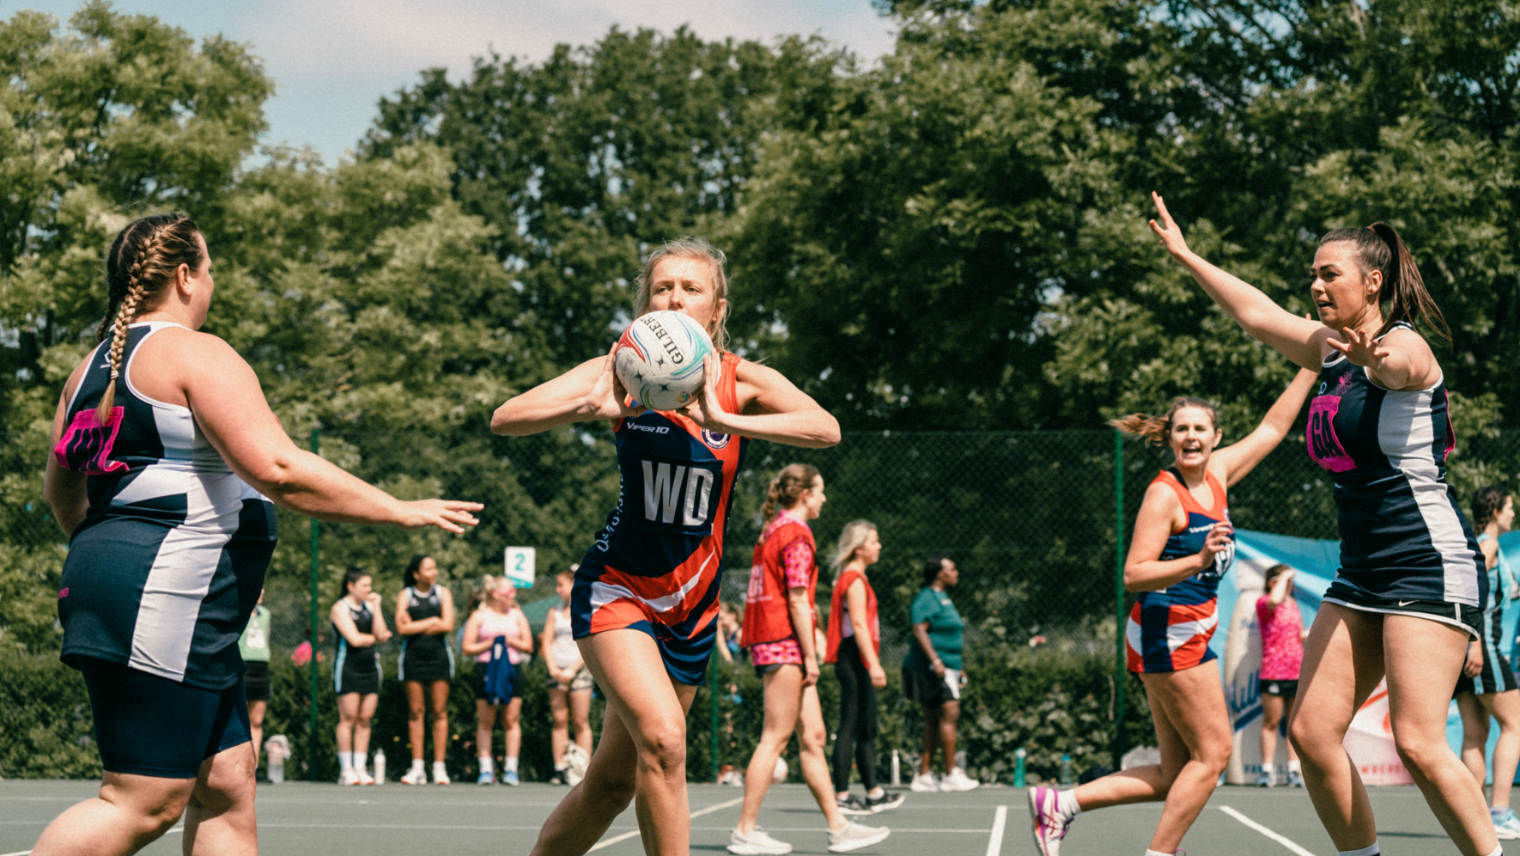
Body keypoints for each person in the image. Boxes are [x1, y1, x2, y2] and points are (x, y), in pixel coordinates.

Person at [35, 213, 480, 856]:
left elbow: (62, 494)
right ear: (185, 276)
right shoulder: (194, 352)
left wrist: (117, 561)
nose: (211, 281)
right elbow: (280, 470)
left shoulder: (87, 372)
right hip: (166, 593)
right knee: (142, 800)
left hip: (124, 583)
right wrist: (399, 508)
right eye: (209, 268)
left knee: (227, 780)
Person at [1143, 194, 1497, 856]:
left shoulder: (1402, 344)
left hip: (1426, 562)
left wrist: (1373, 358)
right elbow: (1255, 314)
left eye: (1328, 273)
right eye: (1312, 273)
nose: (1315, 284)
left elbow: (1400, 369)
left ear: (1372, 281)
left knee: (1418, 739)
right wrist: (1188, 256)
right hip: (1362, 570)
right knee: (1310, 730)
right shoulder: (1330, 350)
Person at [494, 238, 842, 856]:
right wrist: (587, 404)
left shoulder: (740, 380)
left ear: (717, 308)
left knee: (610, 785)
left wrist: (727, 419)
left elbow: (824, 428)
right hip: (618, 589)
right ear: (645, 303)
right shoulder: (620, 368)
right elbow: (507, 417)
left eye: (692, 288)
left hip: (693, 608)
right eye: (662, 288)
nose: (676, 297)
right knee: (666, 741)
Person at [1029, 365, 1315, 856]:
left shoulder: (1219, 474)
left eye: (1200, 429)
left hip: (1187, 632)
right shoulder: (1165, 494)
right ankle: (1160, 853)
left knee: (1175, 772)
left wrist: (1313, 361)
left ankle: (1060, 805)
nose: (1191, 437)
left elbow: (1273, 427)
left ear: (1215, 436)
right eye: (1181, 429)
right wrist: (1198, 560)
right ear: (1170, 438)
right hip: (1167, 631)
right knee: (1214, 754)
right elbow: (1133, 574)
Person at [730, 466, 890, 855]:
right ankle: (745, 831)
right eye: (820, 492)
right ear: (804, 494)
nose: (824, 498)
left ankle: (838, 826)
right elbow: (798, 599)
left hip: (776, 639)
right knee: (775, 737)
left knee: (814, 737)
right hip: (783, 641)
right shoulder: (795, 535)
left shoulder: (772, 530)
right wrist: (809, 653)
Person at [825, 520, 902, 815]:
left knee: (867, 725)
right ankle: (843, 795)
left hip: (857, 656)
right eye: (874, 541)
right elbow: (857, 624)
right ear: (858, 548)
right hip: (853, 657)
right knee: (850, 724)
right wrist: (874, 664)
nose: (878, 546)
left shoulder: (857, 577)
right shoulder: (853, 579)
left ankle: (873, 791)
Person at [1457, 487, 1520, 840]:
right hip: (1483, 651)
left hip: (1471, 652)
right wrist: (1476, 645)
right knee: (1516, 724)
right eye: (1510, 507)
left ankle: (1476, 814)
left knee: (1475, 734)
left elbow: (1502, 591)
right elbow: (1471, 593)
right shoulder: (1489, 546)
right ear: (1495, 511)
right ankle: (1498, 811)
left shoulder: (1490, 549)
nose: (1513, 513)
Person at [903, 557, 975, 792]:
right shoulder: (927, 598)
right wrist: (935, 660)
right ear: (939, 574)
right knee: (950, 711)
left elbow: (948, 636)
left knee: (935, 718)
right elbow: (918, 629)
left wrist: (956, 666)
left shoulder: (943, 598)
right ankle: (950, 772)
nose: (956, 572)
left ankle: (924, 775)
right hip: (930, 667)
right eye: (951, 569)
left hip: (949, 667)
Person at [462, 575, 533, 785]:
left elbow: (528, 645)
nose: (513, 595)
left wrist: (509, 641)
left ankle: (511, 769)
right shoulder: (479, 615)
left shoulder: (517, 615)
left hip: (511, 669)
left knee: (511, 720)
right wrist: (492, 643)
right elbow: (467, 647)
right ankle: (485, 769)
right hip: (486, 669)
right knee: (486, 721)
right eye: (508, 592)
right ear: (495, 593)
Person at [396, 554, 457, 786]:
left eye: (435, 568)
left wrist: (415, 625)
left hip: (439, 658)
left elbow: (447, 624)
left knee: (439, 711)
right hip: (412, 658)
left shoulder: (443, 594)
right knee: (415, 711)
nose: (434, 572)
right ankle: (417, 767)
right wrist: (431, 622)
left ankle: (439, 768)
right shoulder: (406, 595)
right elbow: (401, 628)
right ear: (416, 574)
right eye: (428, 568)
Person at [331, 568, 391, 785]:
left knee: (365, 718)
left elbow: (382, 632)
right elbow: (354, 639)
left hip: (371, 669)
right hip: (348, 668)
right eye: (365, 585)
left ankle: (360, 768)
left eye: (370, 585)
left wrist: (376, 607)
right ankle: (346, 769)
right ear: (351, 586)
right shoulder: (340, 608)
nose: (369, 589)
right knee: (348, 718)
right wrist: (376, 637)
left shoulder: (369, 606)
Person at [1256, 563, 1308, 788]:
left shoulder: (1293, 605)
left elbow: (1299, 636)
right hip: (1273, 672)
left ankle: (1293, 772)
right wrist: (1285, 575)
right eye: (1285, 581)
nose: (1290, 585)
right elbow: (1274, 600)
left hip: (1296, 672)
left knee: (1293, 724)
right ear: (1272, 582)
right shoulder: (1264, 603)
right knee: (1271, 722)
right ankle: (1267, 771)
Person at [543, 568, 595, 785]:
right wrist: (553, 668)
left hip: (579, 670)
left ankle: (582, 769)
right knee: (559, 720)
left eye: (561, 584)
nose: (558, 589)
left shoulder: (585, 609)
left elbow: (590, 641)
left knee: (580, 721)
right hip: (556, 671)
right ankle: (560, 768)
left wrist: (572, 670)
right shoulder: (553, 612)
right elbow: (546, 641)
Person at [238, 591, 272, 770]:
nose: (261, 593)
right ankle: (238, 766)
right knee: (239, 719)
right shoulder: (238, 611)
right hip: (243, 665)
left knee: (256, 720)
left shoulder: (266, 614)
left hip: (261, 667)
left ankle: (253, 765)